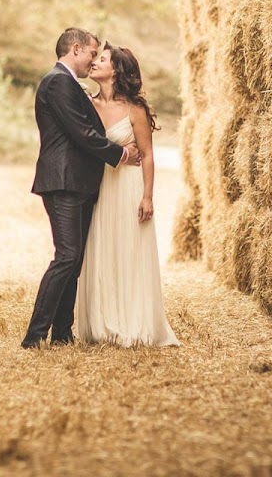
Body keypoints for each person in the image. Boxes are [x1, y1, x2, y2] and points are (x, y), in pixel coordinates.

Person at [22, 28, 141, 349]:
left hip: (78, 181)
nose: (93, 60)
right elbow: (82, 133)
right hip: (63, 180)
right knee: (67, 257)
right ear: (75, 49)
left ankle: (62, 332)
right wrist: (121, 154)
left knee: (74, 260)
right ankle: (34, 335)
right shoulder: (58, 82)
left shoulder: (71, 85)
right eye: (91, 53)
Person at [76, 42, 179, 347]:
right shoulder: (87, 104)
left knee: (129, 249)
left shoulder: (135, 109)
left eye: (102, 59)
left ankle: (133, 321)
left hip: (129, 187)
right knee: (101, 249)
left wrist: (147, 197)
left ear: (116, 70)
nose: (94, 62)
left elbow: (147, 155)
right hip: (100, 186)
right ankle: (101, 323)